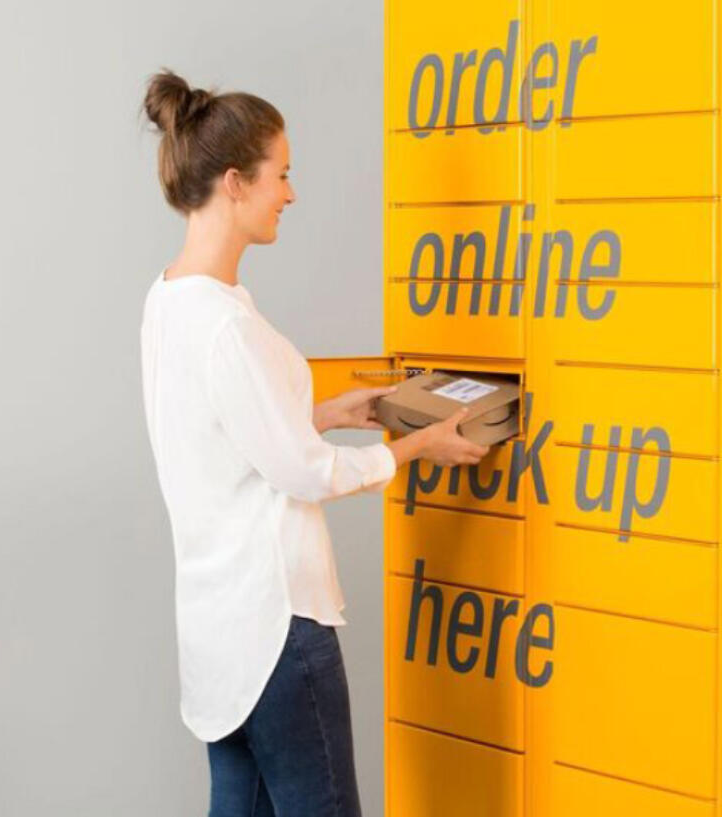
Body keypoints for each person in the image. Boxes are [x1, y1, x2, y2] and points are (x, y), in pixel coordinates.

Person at [138, 69, 488, 817]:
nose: (290, 194)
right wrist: (417, 445)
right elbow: (306, 473)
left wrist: (323, 409)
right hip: (277, 630)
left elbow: (227, 435)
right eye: (282, 174)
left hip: (217, 634)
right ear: (235, 182)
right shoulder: (228, 325)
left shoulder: (170, 300)